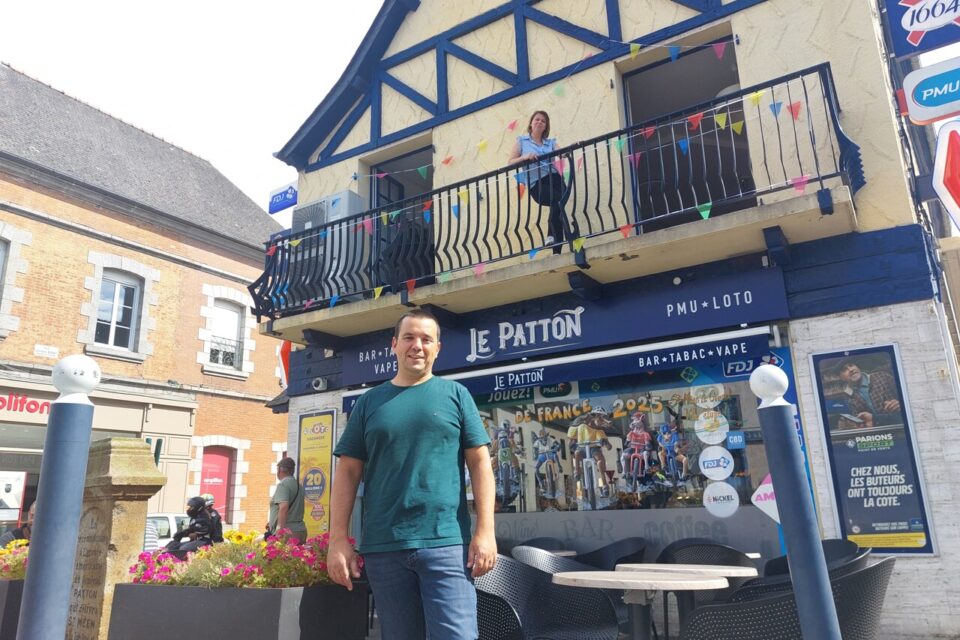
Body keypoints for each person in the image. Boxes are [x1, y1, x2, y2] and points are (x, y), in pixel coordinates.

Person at [327, 308, 496, 640]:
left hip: (446, 543)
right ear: (394, 345)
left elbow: (480, 464)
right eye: (409, 337)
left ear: (437, 348)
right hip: (383, 546)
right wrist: (337, 540)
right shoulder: (369, 402)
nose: (417, 345)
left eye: (426, 339)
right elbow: (347, 471)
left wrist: (485, 531)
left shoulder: (456, 396)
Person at [508, 110, 579, 254]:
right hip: (537, 183)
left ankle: (556, 251)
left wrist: (570, 148)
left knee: (558, 207)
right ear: (531, 123)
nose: (540, 122)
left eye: (543, 121)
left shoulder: (550, 142)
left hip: (556, 179)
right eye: (537, 119)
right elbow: (510, 163)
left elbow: (561, 152)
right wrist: (525, 157)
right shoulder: (522, 141)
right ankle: (551, 236)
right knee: (557, 201)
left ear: (546, 126)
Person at [836, 359, 902, 428]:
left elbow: (905, 398)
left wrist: (900, 403)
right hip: (877, 433)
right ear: (841, 378)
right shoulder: (848, 395)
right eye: (844, 370)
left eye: (851, 365)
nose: (851, 369)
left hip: (898, 427)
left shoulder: (883, 376)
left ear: (857, 367)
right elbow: (858, 420)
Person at [567, 406, 614, 491]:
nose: (602, 422)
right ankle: (577, 471)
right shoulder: (581, 426)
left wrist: (606, 443)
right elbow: (571, 439)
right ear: (594, 417)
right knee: (577, 453)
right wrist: (571, 445)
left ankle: (604, 484)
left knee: (600, 461)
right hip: (582, 448)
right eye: (600, 418)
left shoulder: (599, 431)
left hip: (593, 449)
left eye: (603, 419)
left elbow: (607, 444)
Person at [267, 457, 306, 543]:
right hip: (300, 530)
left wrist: (279, 531)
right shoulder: (299, 485)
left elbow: (284, 507)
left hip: (288, 533)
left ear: (279, 470)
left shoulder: (283, 485)